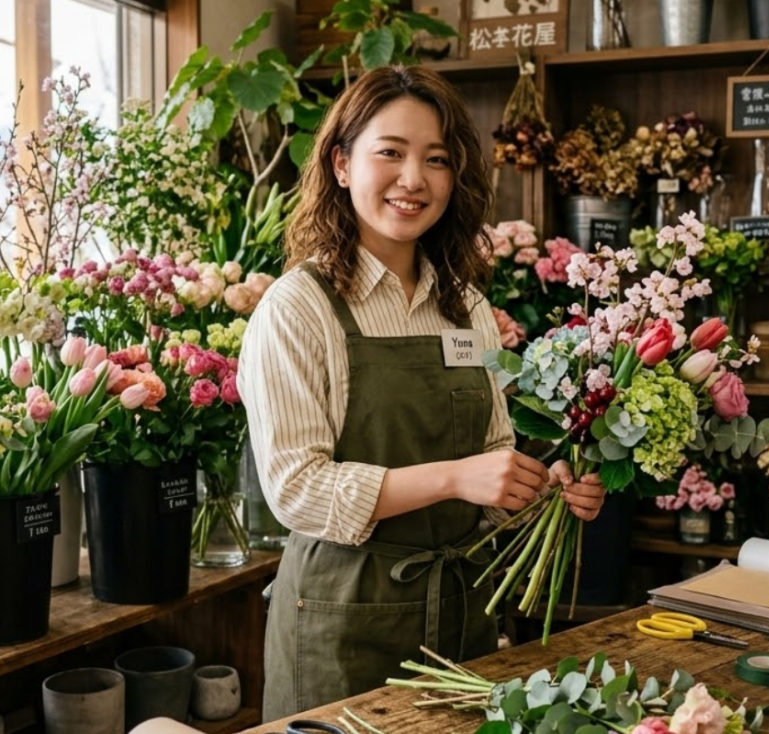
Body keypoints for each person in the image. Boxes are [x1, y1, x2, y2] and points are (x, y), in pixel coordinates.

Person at [237, 65, 606, 720]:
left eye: (436, 160)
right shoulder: (299, 307)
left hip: (460, 616)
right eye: (391, 153)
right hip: (340, 621)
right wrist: (456, 478)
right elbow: (296, 489)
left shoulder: (463, 305)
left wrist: (538, 487)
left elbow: (488, 460)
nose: (414, 179)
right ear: (342, 163)